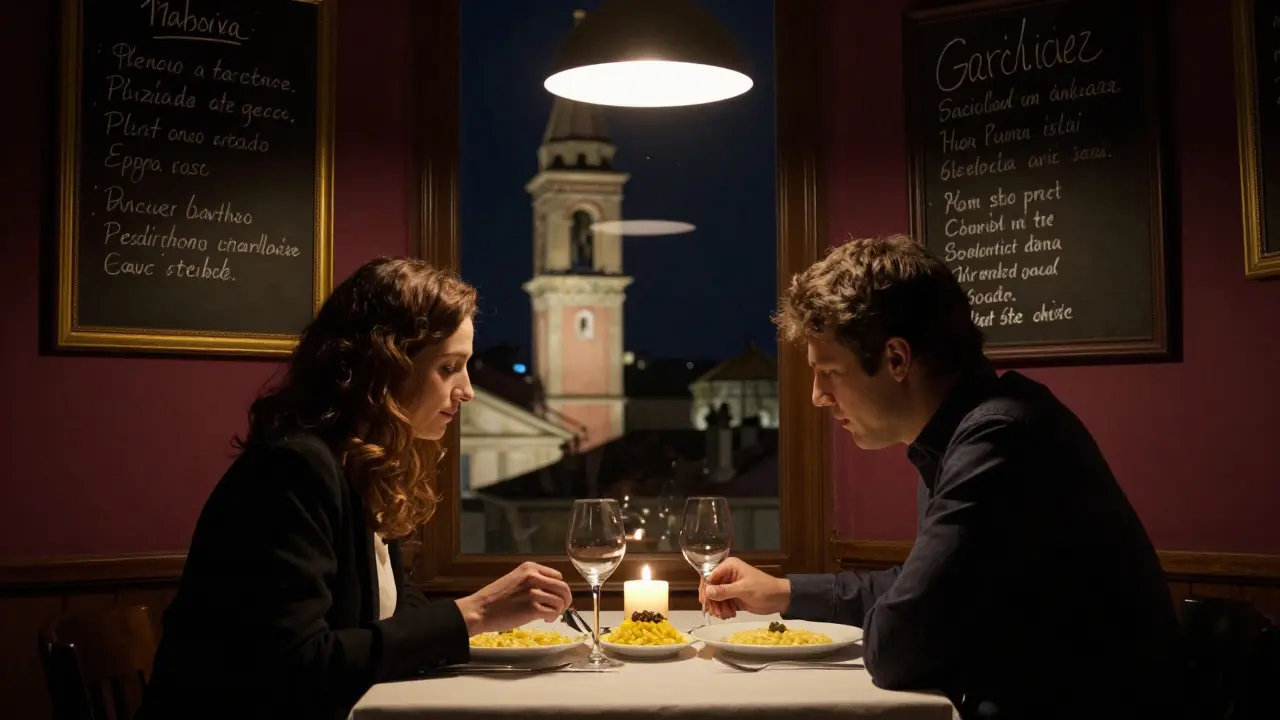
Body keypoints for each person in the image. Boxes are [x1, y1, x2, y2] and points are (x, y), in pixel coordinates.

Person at [701, 236, 1186, 719]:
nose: (817, 396)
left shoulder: (1000, 442)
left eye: (829, 371)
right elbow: (919, 589)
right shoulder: (968, 433)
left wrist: (902, 616)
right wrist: (783, 593)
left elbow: (900, 646)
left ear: (896, 359)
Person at [138, 258, 574, 720]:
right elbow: (295, 668)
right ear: (385, 368)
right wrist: (474, 615)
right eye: (450, 367)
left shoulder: (361, 464)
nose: (467, 390)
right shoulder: (293, 470)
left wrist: (490, 622)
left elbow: (388, 609)